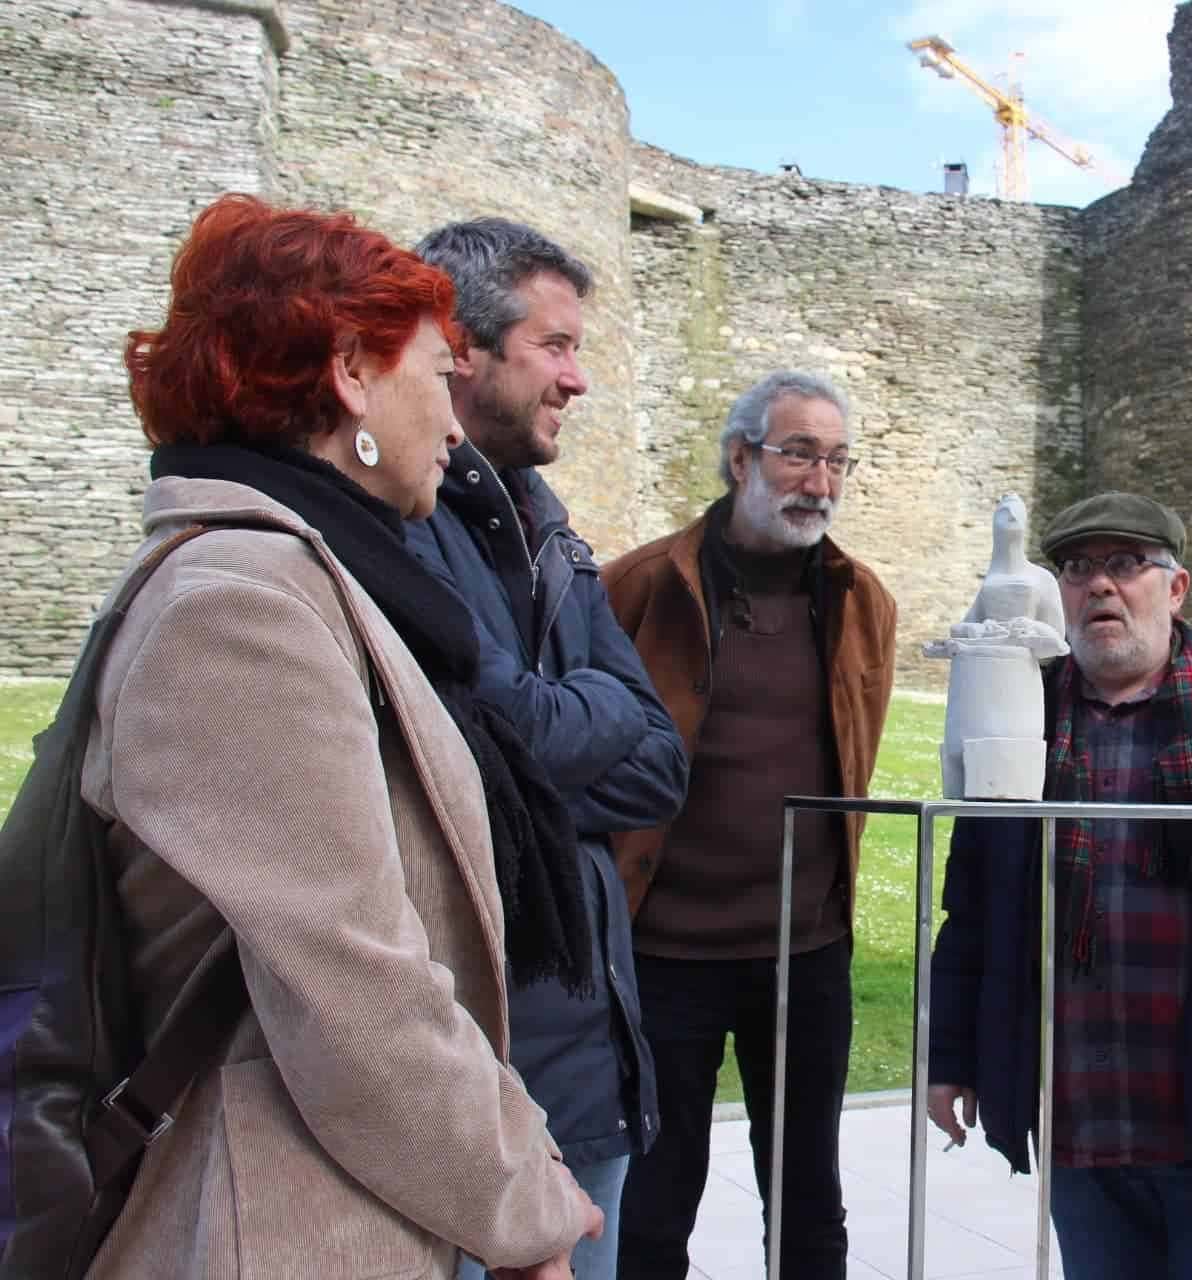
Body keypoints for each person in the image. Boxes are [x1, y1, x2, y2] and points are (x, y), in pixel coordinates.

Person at [76, 194, 599, 1278]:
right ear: (353, 375)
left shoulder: (314, 577)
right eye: (430, 375)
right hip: (270, 1221)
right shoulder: (241, 602)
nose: (453, 425)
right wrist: (524, 1208)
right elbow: (353, 988)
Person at [928, 491, 1192, 1279]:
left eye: (1125, 565)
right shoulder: (1022, 719)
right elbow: (976, 904)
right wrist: (951, 1050)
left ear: (1176, 586)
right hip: (1079, 1116)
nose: (1100, 586)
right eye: (1079, 568)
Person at [407, 218, 690, 1280]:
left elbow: (662, 760)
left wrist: (539, 738)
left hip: (588, 1072)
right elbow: (478, 749)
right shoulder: (399, 522)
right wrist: (566, 722)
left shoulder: (552, 532)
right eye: (557, 346)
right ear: (461, 343)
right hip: (472, 1085)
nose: (580, 380)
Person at [601, 370, 896, 1280]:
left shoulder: (861, 603)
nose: (821, 481)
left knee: (810, 1208)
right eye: (799, 453)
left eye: (838, 460)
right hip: (663, 955)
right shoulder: (639, 588)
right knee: (651, 1210)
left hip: (805, 956)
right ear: (740, 459)